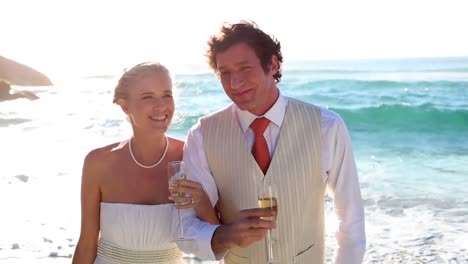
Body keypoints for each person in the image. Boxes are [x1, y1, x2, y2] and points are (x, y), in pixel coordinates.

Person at [178, 21, 366, 263]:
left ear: (273, 64)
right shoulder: (202, 135)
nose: (235, 83)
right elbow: (187, 227)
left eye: (245, 68)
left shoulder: (326, 127)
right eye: (225, 73)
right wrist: (225, 236)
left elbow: (351, 221)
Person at [72, 62, 219, 264]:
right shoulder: (98, 163)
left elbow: (218, 243)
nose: (161, 106)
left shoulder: (190, 157)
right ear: (125, 106)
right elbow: (87, 245)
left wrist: (201, 201)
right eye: (148, 97)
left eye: (167, 95)